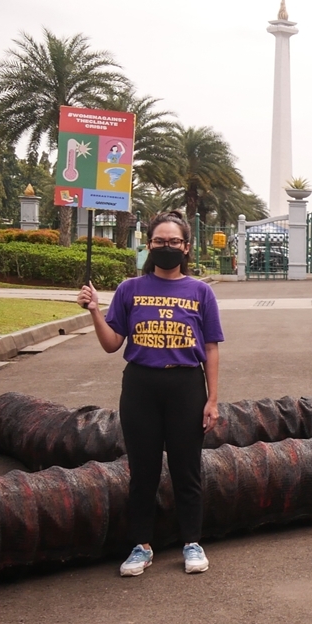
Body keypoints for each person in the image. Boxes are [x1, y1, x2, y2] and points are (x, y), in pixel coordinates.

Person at [77, 211, 223, 577]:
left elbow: (211, 348)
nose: (166, 247)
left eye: (174, 242)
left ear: (186, 247)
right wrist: (95, 310)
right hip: (141, 385)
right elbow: (112, 344)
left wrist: (213, 398)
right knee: (142, 471)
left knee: (186, 469)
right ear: (149, 244)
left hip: (186, 385)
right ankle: (140, 545)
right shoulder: (130, 289)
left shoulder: (201, 292)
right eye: (159, 241)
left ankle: (192, 541)